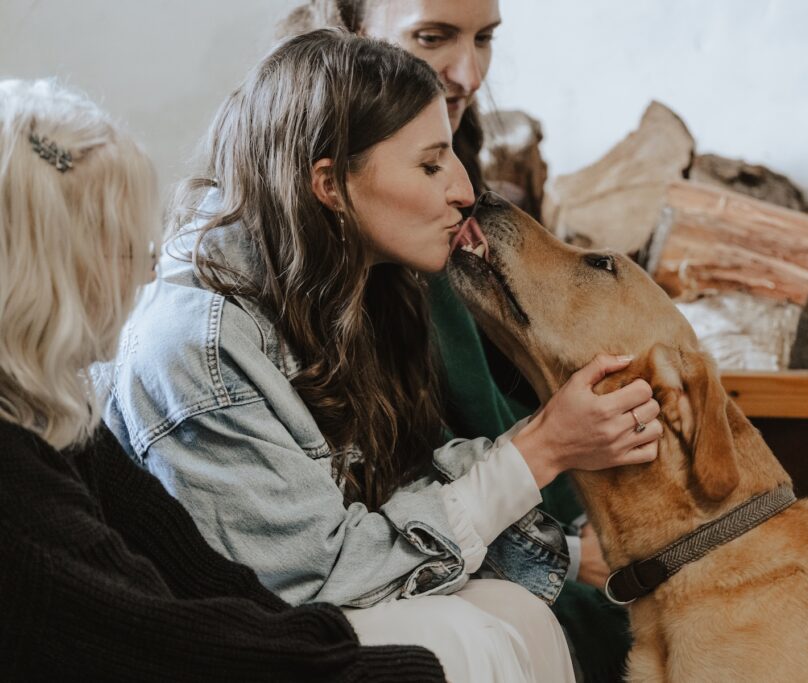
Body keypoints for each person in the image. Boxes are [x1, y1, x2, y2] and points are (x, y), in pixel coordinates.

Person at [100, 30, 660, 682]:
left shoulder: (346, 284)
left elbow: (389, 490)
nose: (461, 189)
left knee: (520, 610)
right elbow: (314, 576)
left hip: (313, 595)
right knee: (462, 638)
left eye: (452, 156)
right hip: (224, 636)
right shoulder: (202, 347)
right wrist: (542, 448)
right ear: (331, 184)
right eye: (429, 166)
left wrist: (558, 545)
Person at [0, 77, 446, 681]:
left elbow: (191, 567)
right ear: (41, 265)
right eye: (122, 245)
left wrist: (320, 643)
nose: (149, 267)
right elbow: (165, 644)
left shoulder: (52, 417)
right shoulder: (20, 506)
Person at [279, 2, 636, 679]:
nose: (468, 73)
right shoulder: (330, 254)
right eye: (432, 37)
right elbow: (351, 518)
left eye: (486, 39)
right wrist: (556, 541)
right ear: (349, 39)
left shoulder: (443, 198)